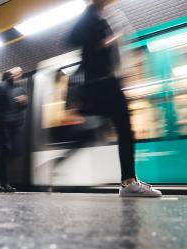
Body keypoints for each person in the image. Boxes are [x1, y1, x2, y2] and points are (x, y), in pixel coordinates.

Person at [69, 0, 162, 197]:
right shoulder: (89, 18)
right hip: (102, 83)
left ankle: (128, 181)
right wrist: (109, 40)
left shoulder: (100, 17)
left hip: (107, 82)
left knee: (121, 128)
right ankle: (128, 182)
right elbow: (74, 39)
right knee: (125, 129)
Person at [0, 67, 28, 192]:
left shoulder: (19, 89)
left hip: (14, 126)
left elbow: (22, 107)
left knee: (10, 152)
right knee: (5, 152)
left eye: (20, 73)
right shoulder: (2, 87)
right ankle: (3, 183)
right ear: (10, 74)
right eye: (16, 73)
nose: (18, 75)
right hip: (3, 126)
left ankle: (6, 181)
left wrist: (23, 103)